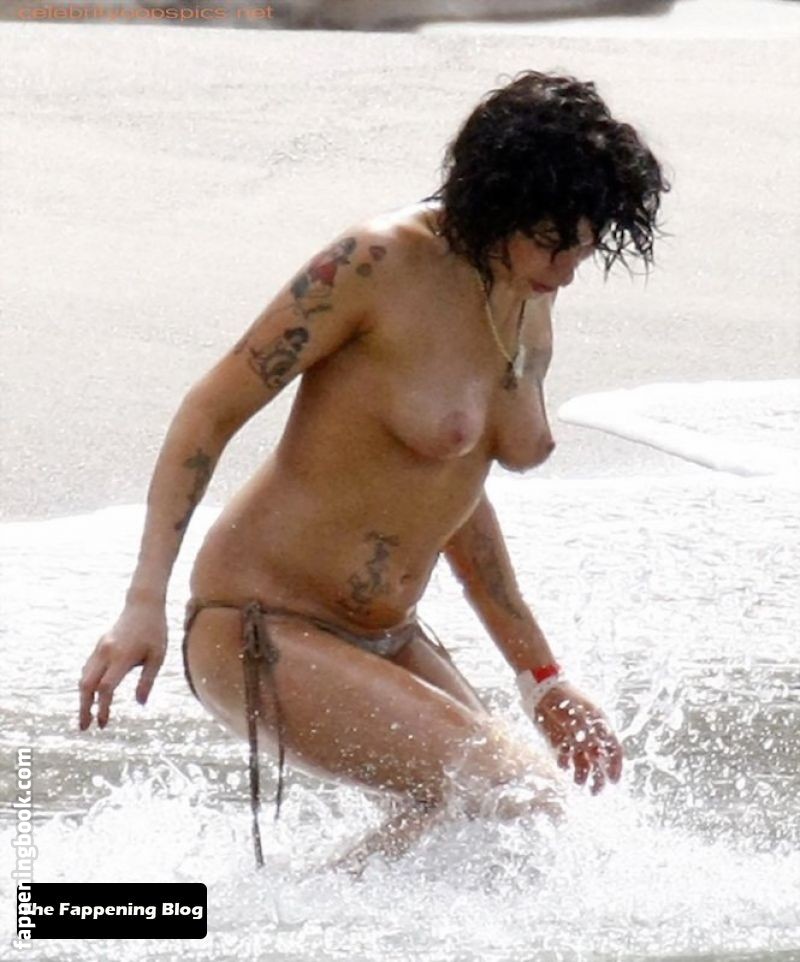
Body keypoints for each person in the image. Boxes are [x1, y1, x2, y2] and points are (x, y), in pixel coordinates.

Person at [78, 70, 668, 873]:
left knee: (508, 833)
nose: (565, 270)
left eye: (584, 247)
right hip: (262, 623)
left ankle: (259, 925)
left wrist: (544, 679)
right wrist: (142, 603)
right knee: (516, 802)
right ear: (495, 199)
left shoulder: (525, 292)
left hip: (387, 636)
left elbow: (453, 491)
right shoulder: (375, 264)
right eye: (550, 242)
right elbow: (207, 411)